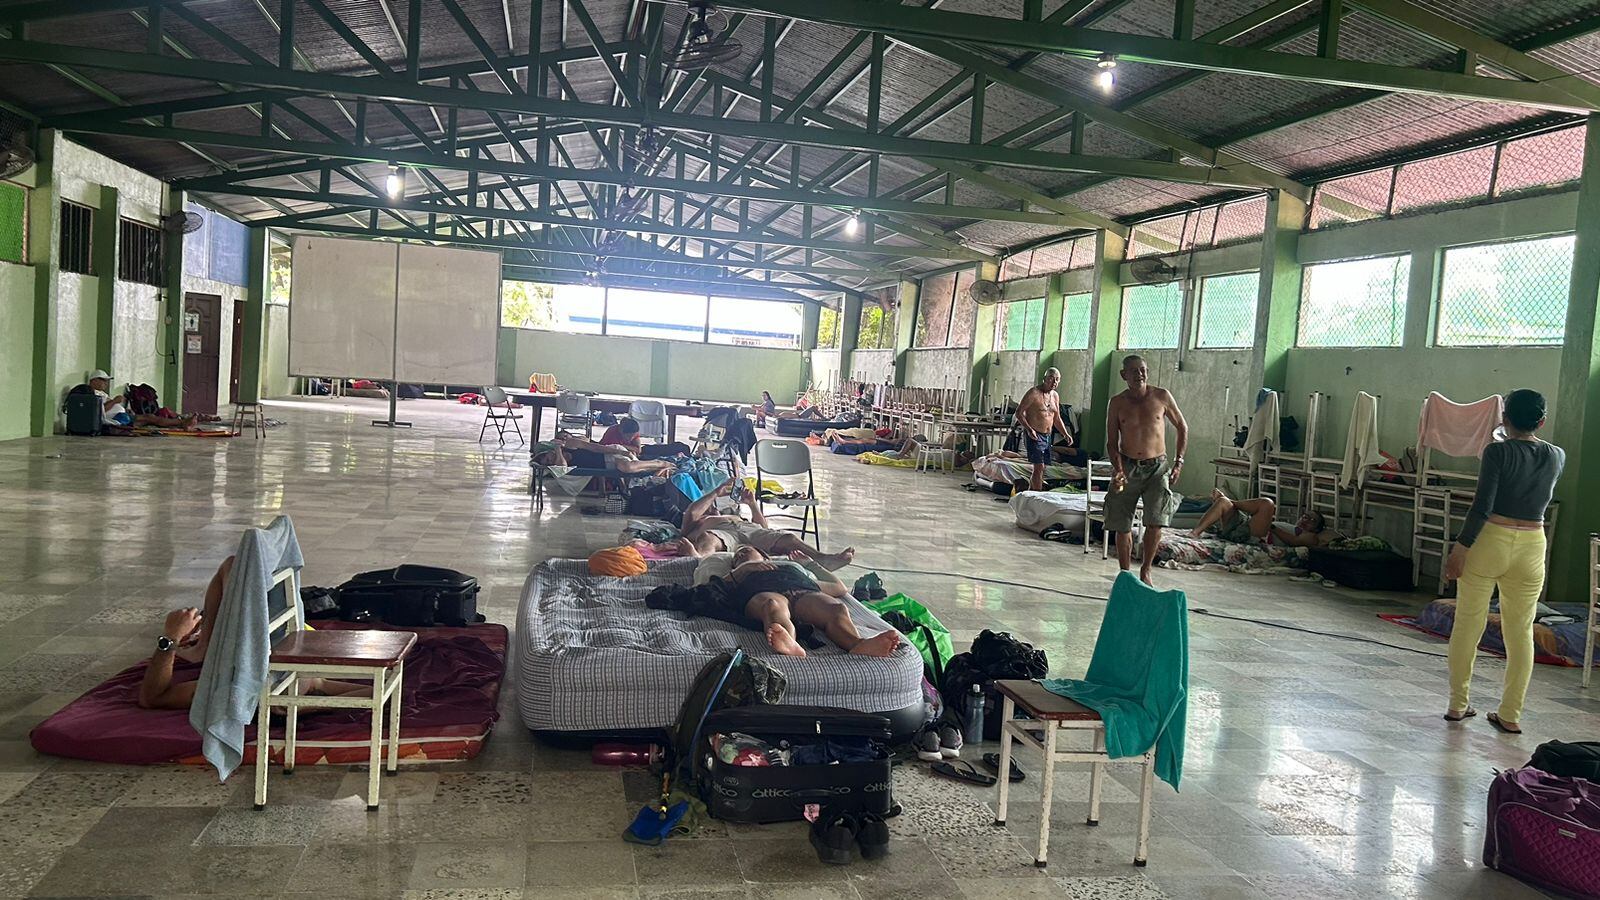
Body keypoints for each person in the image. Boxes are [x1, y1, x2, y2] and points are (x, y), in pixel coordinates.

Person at [1442, 389, 1565, 736]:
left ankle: (1457, 704)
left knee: (1468, 623)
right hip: (1532, 544)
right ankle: (1510, 714)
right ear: (1542, 421)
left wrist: (1460, 548)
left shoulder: (1496, 451)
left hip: (1490, 540)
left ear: (1504, 419)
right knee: (1520, 630)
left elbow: (1482, 505)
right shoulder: (1557, 455)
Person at [137, 557, 366, 709]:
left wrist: (171, 638)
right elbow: (374, 694)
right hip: (279, 656)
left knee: (234, 565)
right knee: (234, 564)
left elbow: (152, 698)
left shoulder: (238, 691)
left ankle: (204, 646)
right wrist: (315, 703)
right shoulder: (308, 682)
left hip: (262, 669)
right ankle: (204, 646)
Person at [726, 546, 901, 658]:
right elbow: (711, 587)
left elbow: (839, 588)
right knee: (772, 605)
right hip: (764, 593)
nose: (740, 554)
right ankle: (790, 644)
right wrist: (744, 568)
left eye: (746, 550)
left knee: (836, 609)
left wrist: (810, 564)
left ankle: (857, 644)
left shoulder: (790, 569)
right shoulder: (741, 575)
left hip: (801, 590)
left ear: (764, 556)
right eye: (736, 558)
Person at [1105, 355, 1188, 585]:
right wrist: (1118, 468)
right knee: (1122, 524)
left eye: (1143, 370)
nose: (1140, 374)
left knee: (1156, 520)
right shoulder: (1117, 403)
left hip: (1157, 468)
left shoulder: (1161, 396)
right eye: (1134, 371)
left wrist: (1179, 461)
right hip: (1128, 466)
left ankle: (1146, 570)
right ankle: (1125, 574)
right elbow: (1112, 442)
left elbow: (1182, 426)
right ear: (1124, 375)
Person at [680, 479, 855, 569]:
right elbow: (692, 512)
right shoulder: (702, 522)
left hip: (750, 530)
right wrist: (716, 492)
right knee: (708, 538)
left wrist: (752, 503)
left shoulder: (735, 516)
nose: (712, 509)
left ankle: (823, 559)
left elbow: (764, 528)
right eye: (709, 507)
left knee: (788, 538)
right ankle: (698, 558)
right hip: (722, 534)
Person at [1014, 368, 1074, 492]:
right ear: (1045, 378)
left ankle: (1031, 493)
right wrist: (1029, 429)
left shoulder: (1055, 396)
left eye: (1057, 379)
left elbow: (1056, 417)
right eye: (1051, 378)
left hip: (1047, 435)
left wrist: (1065, 433)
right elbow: (1019, 413)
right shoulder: (1033, 393)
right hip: (1034, 434)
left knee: (1042, 468)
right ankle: (1037, 494)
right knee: (1039, 466)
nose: (1054, 382)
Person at [533, 430, 677, 475]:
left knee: (626, 467)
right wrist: (557, 451)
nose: (550, 459)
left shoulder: (571, 444)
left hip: (610, 453)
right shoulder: (559, 462)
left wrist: (624, 452)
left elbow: (597, 448)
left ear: (548, 451)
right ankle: (659, 466)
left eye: (547, 456)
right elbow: (562, 469)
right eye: (548, 462)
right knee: (627, 468)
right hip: (608, 466)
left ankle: (660, 463)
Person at [87, 370, 194, 429]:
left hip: (122, 415)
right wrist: (115, 401)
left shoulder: (102, 393)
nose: (106, 383)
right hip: (116, 419)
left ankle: (181, 423)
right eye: (103, 380)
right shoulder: (91, 394)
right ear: (94, 381)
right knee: (150, 418)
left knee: (151, 419)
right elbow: (99, 411)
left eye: (106, 381)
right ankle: (182, 422)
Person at [1188, 489, 1276, 544]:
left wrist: (1273, 529)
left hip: (1252, 536)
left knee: (1268, 503)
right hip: (1243, 524)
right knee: (1223, 501)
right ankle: (1195, 533)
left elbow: (1288, 538)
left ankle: (1231, 501)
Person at [1270, 509, 1343, 548]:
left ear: (1316, 529)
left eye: (1312, 520)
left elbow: (1294, 541)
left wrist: (1270, 526)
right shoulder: (1290, 526)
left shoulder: (1310, 536)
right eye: (1305, 517)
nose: (1305, 521)